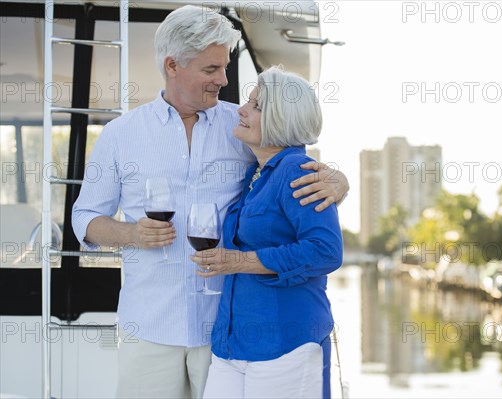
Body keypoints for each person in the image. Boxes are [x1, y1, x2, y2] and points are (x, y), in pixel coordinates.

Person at [71, 5, 348, 399]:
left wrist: (339, 181)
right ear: (172, 65)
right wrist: (130, 233)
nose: (223, 79)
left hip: (222, 328)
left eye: (225, 67)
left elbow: (291, 168)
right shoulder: (120, 135)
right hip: (148, 326)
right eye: (211, 70)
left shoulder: (242, 125)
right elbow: (84, 217)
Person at [192, 66, 343, 398]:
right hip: (232, 343)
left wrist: (240, 261)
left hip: (284, 344)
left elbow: (325, 250)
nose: (242, 110)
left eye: (256, 105)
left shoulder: (296, 171)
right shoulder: (254, 175)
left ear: (280, 118)